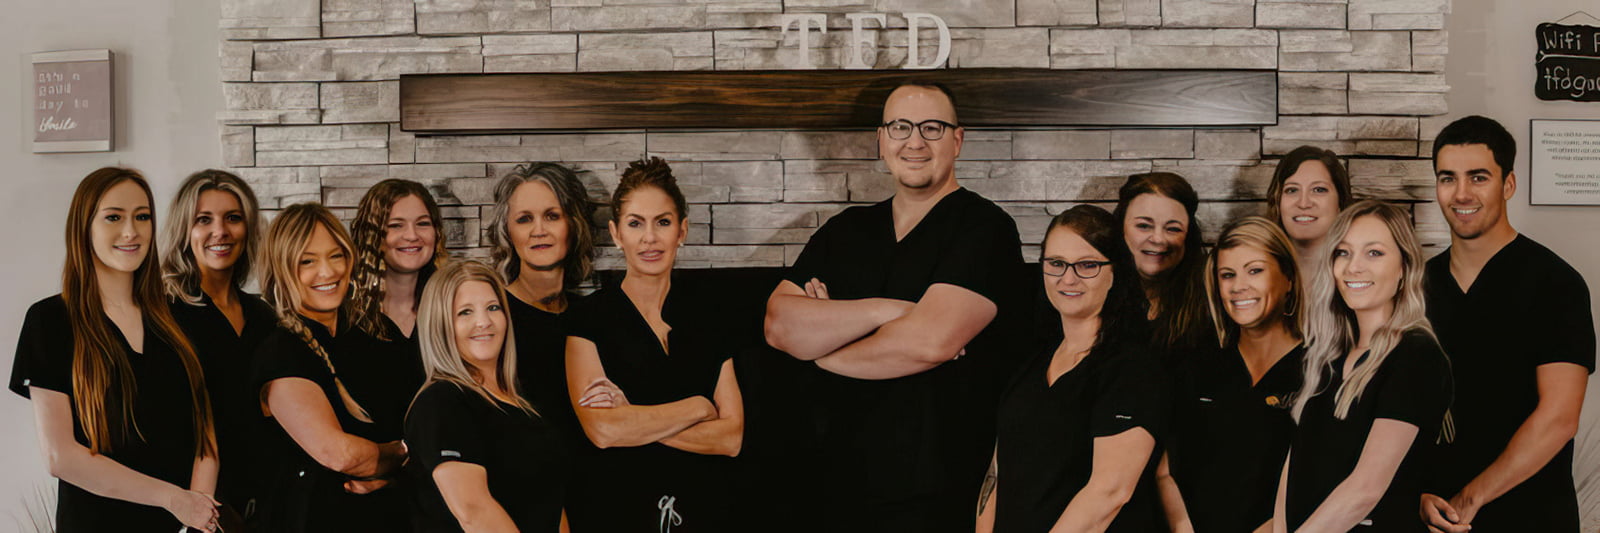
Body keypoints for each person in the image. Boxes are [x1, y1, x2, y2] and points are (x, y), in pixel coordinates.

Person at [763, 82, 1028, 531]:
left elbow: (929, 343)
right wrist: (886, 311)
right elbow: (779, 326)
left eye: (932, 127)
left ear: (957, 140)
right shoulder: (845, 231)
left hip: (940, 493)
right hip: (834, 482)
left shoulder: (985, 229)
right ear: (882, 140)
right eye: (901, 127)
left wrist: (820, 349)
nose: (915, 141)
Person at [10, 167, 221, 532]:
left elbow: (205, 438)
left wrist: (194, 520)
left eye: (142, 216)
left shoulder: (183, 319)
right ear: (84, 226)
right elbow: (61, 457)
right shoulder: (50, 321)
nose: (131, 231)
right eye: (113, 217)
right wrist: (174, 500)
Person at [1419, 115, 1594, 532]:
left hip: (1531, 515)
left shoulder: (1556, 283)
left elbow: (1559, 417)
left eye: (1478, 177)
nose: (1461, 193)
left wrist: (1469, 498)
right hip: (1434, 518)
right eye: (1448, 178)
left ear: (1508, 185)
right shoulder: (1416, 285)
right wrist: (1416, 492)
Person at [563, 157, 745, 532]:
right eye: (635, 224)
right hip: (620, 513)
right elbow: (604, 431)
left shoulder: (711, 318)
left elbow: (731, 438)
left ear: (682, 231)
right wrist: (698, 406)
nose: (649, 238)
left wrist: (634, 415)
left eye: (662, 222)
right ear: (616, 234)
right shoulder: (587, 320)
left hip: (705, 510)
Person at [977, 205, 1167, 533]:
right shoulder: (1033, 364)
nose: (1068, 278)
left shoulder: (1132, 367)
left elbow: (1110, 493)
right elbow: (997, 472)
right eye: (1056, 264)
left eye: (1087, 265)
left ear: (1115, 272)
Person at [1276, 200, 1453, 532]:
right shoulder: (1325, 356)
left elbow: (1365, 489)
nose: (1353, 267)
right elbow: (1295, 464)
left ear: (1404, 267)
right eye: (1343, 253)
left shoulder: (1416, 355)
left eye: (1374, 253)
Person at [250, 203, 415, 532]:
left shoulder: (377, 331)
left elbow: (428, 416)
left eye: (335, 255)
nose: (327, 272)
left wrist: (393, 477)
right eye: (307, 261)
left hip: (394, 517)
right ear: (282, 269)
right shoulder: (280, 352)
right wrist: (401, 452)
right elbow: (340, 455)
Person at [1160, 216, 1305, 533]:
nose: (1239, 286)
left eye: (1255, 270)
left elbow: (1326, 480)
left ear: (1289, 278)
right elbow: (1164, 470)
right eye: (1228, 275)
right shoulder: (1194, 364)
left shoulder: (1323, 371)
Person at [406, 260, 569, 533]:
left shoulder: (522, 403)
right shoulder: (442, 402)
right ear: (440, 324)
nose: (483, 322)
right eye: (464, 312)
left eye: (493, 308)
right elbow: (474, 512)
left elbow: (551, 503)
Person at [160, 169, 277, 521]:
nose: (220, 231)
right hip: (194, 499)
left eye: (233, 218)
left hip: (264, 494)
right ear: (184, 230)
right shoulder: (164, 313)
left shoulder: (264, 314)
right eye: (203, 220)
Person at [485, 162, 599, 435]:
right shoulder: (492, 315)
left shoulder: (593, 315)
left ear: (573, 225)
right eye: (524, 219)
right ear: (508, 232)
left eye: (552, 216)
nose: (539, 230)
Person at [1113, 172, 1213, 353]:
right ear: (1121, 228)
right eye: (1143, 226)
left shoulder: (1211, 303)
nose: (1158, 239)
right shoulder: (1094, 294)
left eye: (1173, 229)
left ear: (1188, 237)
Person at [349, 178, 449, 342]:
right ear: (371, 235)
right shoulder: (347, 316)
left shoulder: (451, 307)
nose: (412, 236)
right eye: (396, 225)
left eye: (423, 223)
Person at [1265, 146, 1354, 265]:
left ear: (1340, 202)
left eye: (1318, 190)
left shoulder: (1359, 273)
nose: (1303, 203)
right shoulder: (1255, 273)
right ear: (1277, 201)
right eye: (1292, 190)